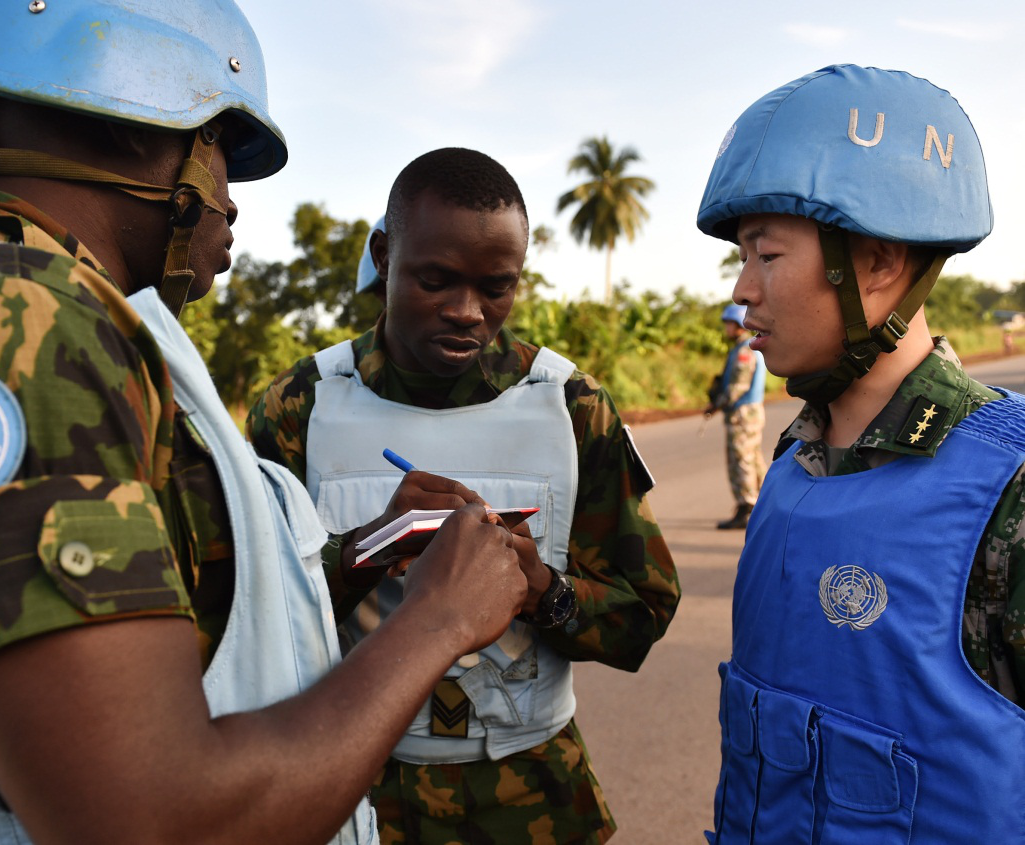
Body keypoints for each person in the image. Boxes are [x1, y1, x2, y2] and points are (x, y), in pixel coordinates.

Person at [0, 4, 530, 844]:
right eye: (223, 149)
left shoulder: (59, 323)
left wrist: (364, 551)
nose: (230, 202)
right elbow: (155, 819)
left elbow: (194, 616)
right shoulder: (7, 331)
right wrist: (439, 619)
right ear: (143, 125)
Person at [248, 148, 681, 844]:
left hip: (531, 796)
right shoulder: (301, 405)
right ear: (384, 256)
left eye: (496, 288)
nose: (466, 312)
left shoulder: (570, 407)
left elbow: (644, 610)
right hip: (354, 790)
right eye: (436, 280)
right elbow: (247, 616)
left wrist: (540, 589)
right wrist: (371, 546)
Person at [697, 64, 1025, 844]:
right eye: (741, 257)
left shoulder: (1007, 488)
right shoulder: (791, 468)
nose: (741, 289)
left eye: (765, 256)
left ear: (876, 263)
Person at [703, 303, 768, 529]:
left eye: (729, 324)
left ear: (739, 324)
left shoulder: (744, 351)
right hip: (748, 413)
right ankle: (761, 503)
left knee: (742, 460)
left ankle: (746, 506)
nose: (726, 329)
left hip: (743, 414)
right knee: (752, 458)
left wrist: (716, 405)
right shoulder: (745, 348)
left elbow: (737, 387)